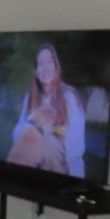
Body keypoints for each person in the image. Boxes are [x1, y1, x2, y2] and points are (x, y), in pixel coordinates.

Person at [7, 43, 86, 177]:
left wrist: (48, 139)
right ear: (36, 71)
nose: (46, 68)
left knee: (47, 144)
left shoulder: (69, 96)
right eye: (41, 64)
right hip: (38, 169)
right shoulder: (30, 98)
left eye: (50, 62)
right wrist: (33, 121)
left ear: (56, 66)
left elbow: (77, 145)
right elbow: (16, 135)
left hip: (66, 174)